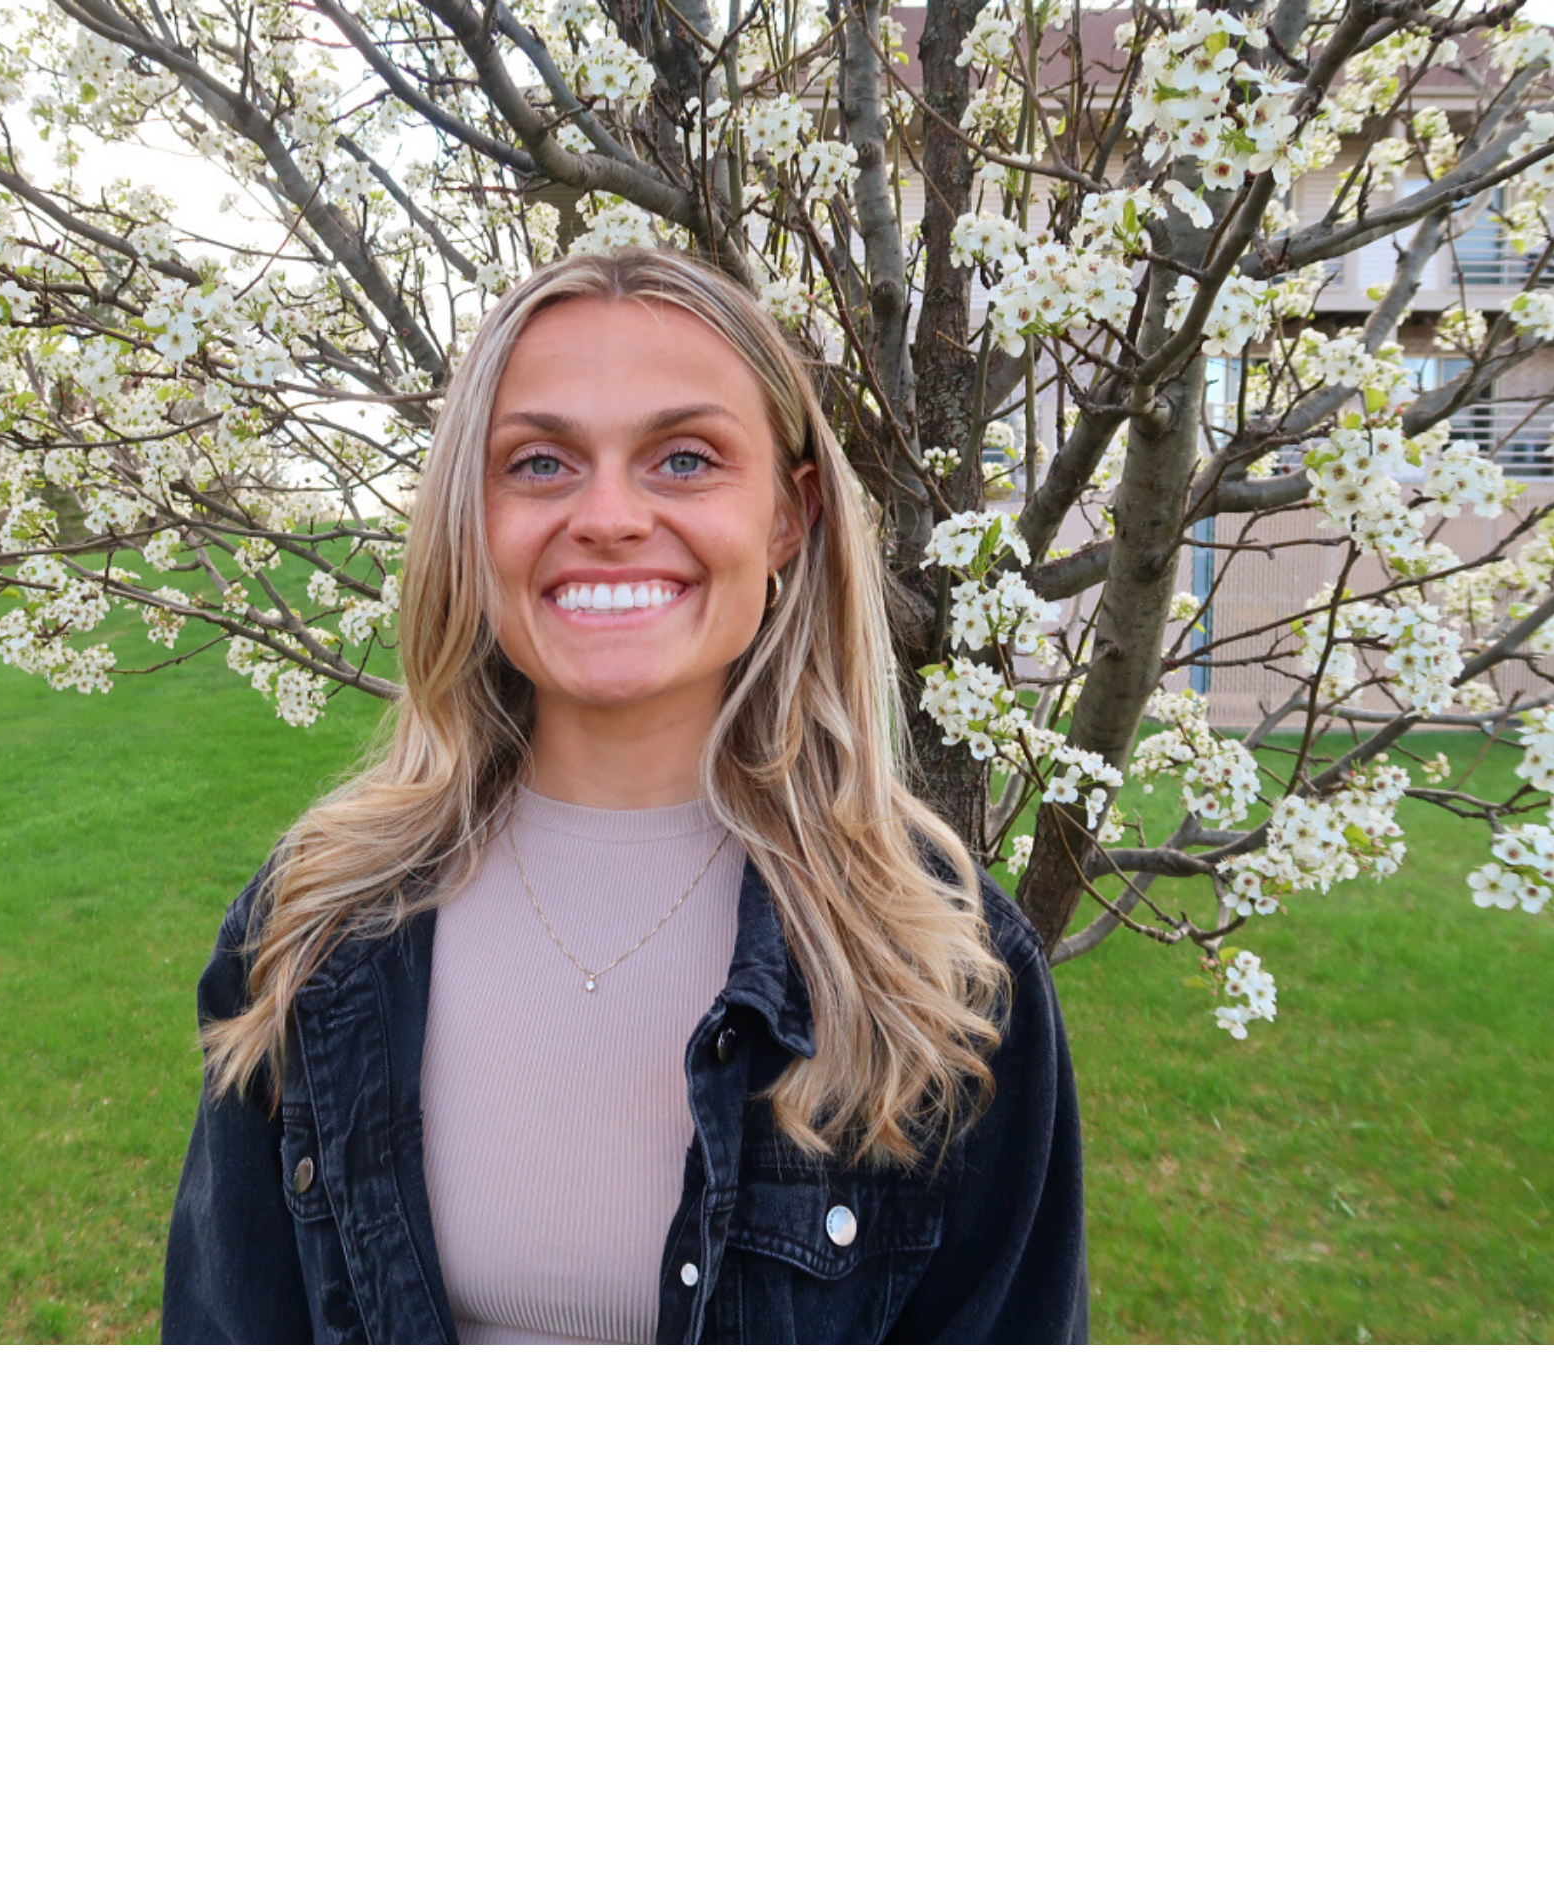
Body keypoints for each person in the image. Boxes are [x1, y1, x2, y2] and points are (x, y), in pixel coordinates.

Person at [162, 246, 1087, 1346]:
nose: (606, 515)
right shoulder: (312, 928)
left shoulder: (943, 968)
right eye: (541, 463)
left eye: (685, 459)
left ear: (787, 518)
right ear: (472, 514)